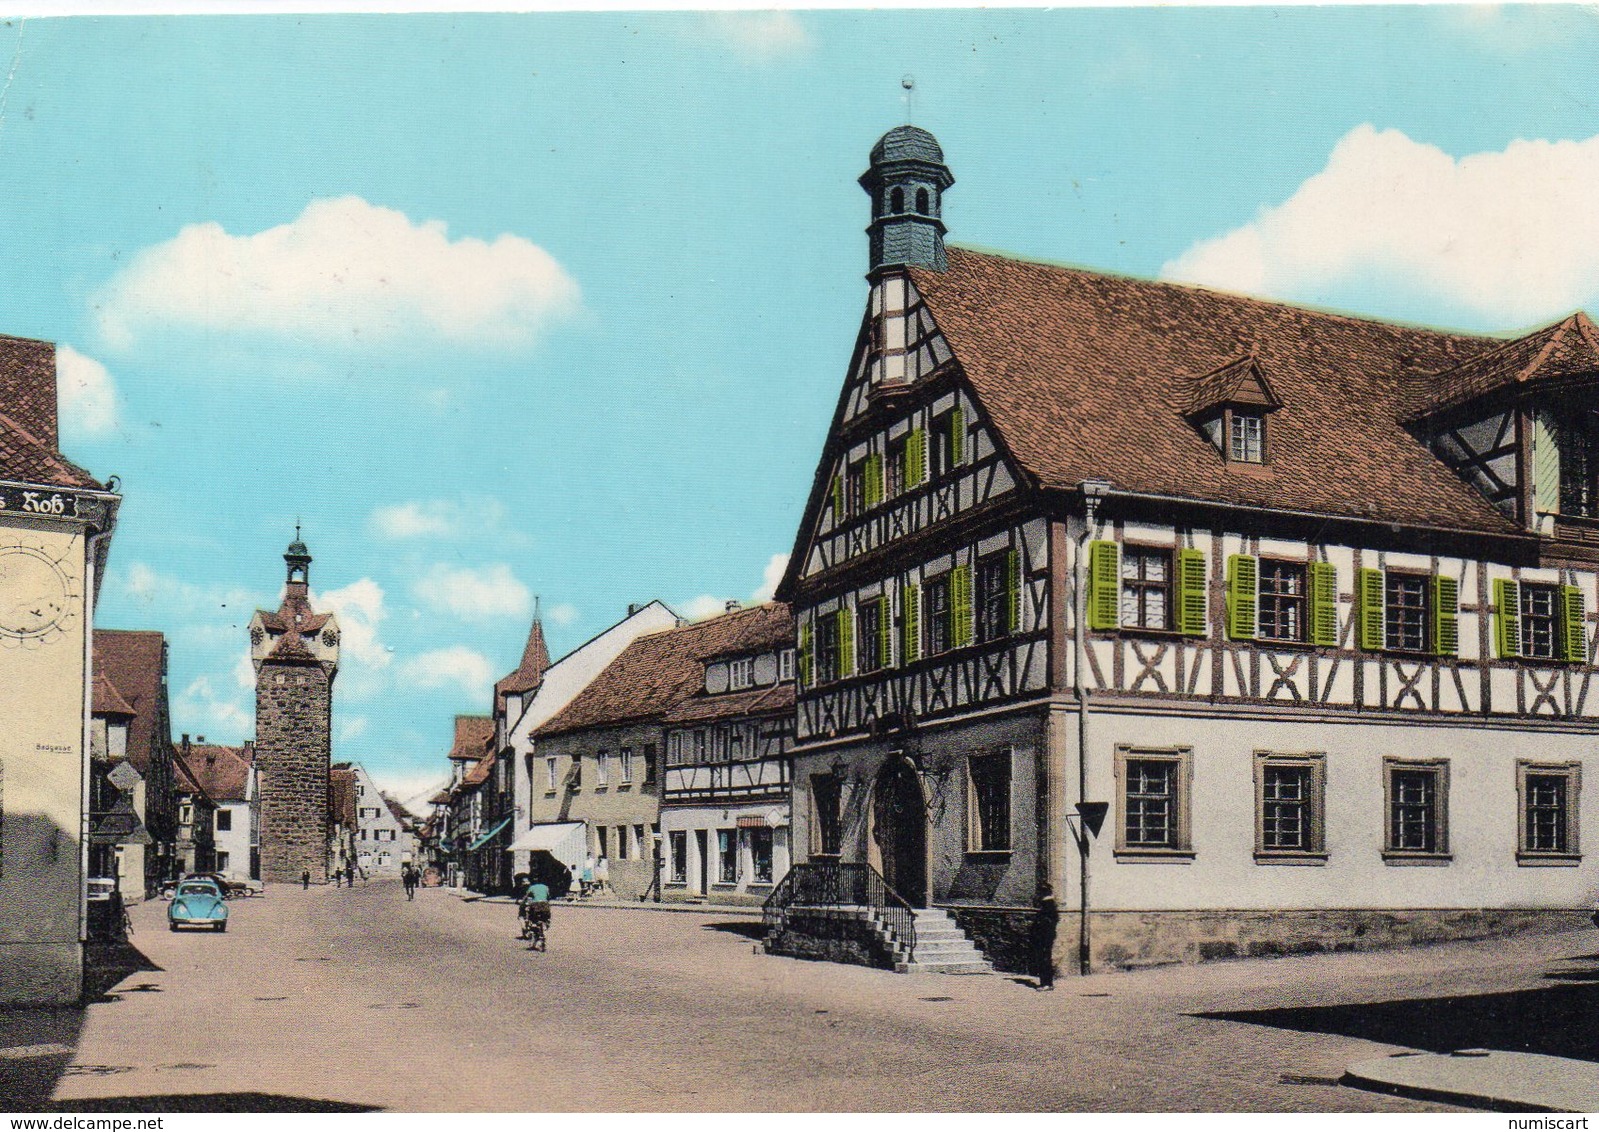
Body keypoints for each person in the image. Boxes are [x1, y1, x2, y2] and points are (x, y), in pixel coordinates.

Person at [1031, 884, 1059, 991]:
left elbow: (1046, 922)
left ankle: (1046, 984)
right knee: (1045, 958)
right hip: (1048, 935)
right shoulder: (1050, 904)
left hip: (1045, 935)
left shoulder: (1047, 905)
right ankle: (1048, 983)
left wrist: (1039, 928)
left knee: (1044, 958)